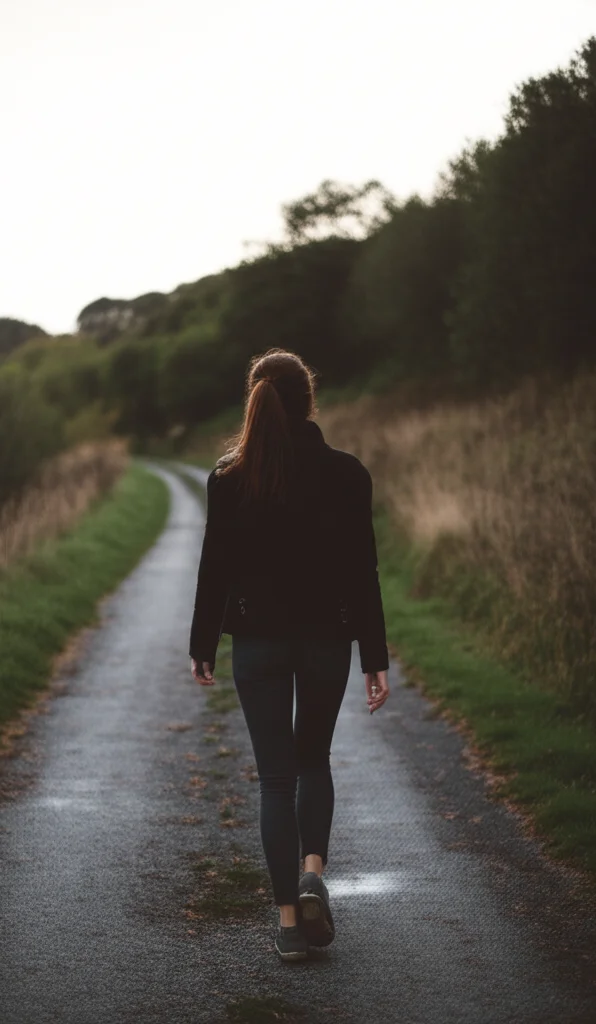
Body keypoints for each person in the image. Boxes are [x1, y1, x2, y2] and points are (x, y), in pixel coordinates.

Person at [188, 348, 390, 962]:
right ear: (310, 401)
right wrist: (374, 656)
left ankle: (285, 925)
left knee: (275, 780)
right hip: (328, 640)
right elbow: (364, 574)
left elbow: (214, 570)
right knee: (314, 760)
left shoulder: (229, 478)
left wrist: (202, 645)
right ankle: (311, 875)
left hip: (258, 644)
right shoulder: (348, 473)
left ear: (256, 401)